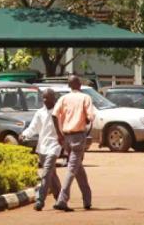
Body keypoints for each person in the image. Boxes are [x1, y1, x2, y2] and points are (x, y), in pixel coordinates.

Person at [52, 75, 95, 212]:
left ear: (69, 86)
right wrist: (85, 120)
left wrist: (59, 134)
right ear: (80, 85)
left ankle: (87, 199)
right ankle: (62, 200)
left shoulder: (63, 98)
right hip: (78, 136)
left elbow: (54, 114)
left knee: (77, 167)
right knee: (72, 168)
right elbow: (90, 117)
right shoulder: (85, 98)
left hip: (66, 137)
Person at [20, 88, 62, 211]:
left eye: (47, 97)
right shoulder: (40, 113)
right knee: (51, 174)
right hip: (43, 147)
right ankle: (60, 197)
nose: (44, 100)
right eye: (43, 97)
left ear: (53, 98)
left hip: (55, 145)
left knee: (46, 172)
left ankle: (40, 200)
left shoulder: (59, 112)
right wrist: (24, 134)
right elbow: (33, 127)